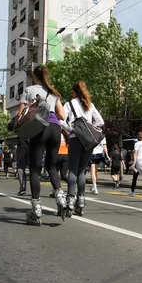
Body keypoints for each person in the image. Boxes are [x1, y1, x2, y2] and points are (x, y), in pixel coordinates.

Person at [15, 65, 67, 225]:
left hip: (40, 127)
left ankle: (36, 208)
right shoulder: (53, 92)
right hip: (55, 129)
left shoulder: (29, 90)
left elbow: (20, 114)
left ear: (34, 76)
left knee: (35, 169)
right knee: (51, 166)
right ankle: (60, 197)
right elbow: (62, 115)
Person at [63, 80, 104, 216]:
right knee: (81, 172)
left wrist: (71, 128)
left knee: (73, 171)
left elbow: (61, 119)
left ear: (74, 92)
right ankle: (80, 202)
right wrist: (90, 128)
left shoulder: (69, 104)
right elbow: (100, 122)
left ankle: (70, 200)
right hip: (88, 141)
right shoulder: (89, 104)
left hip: (75, 139)